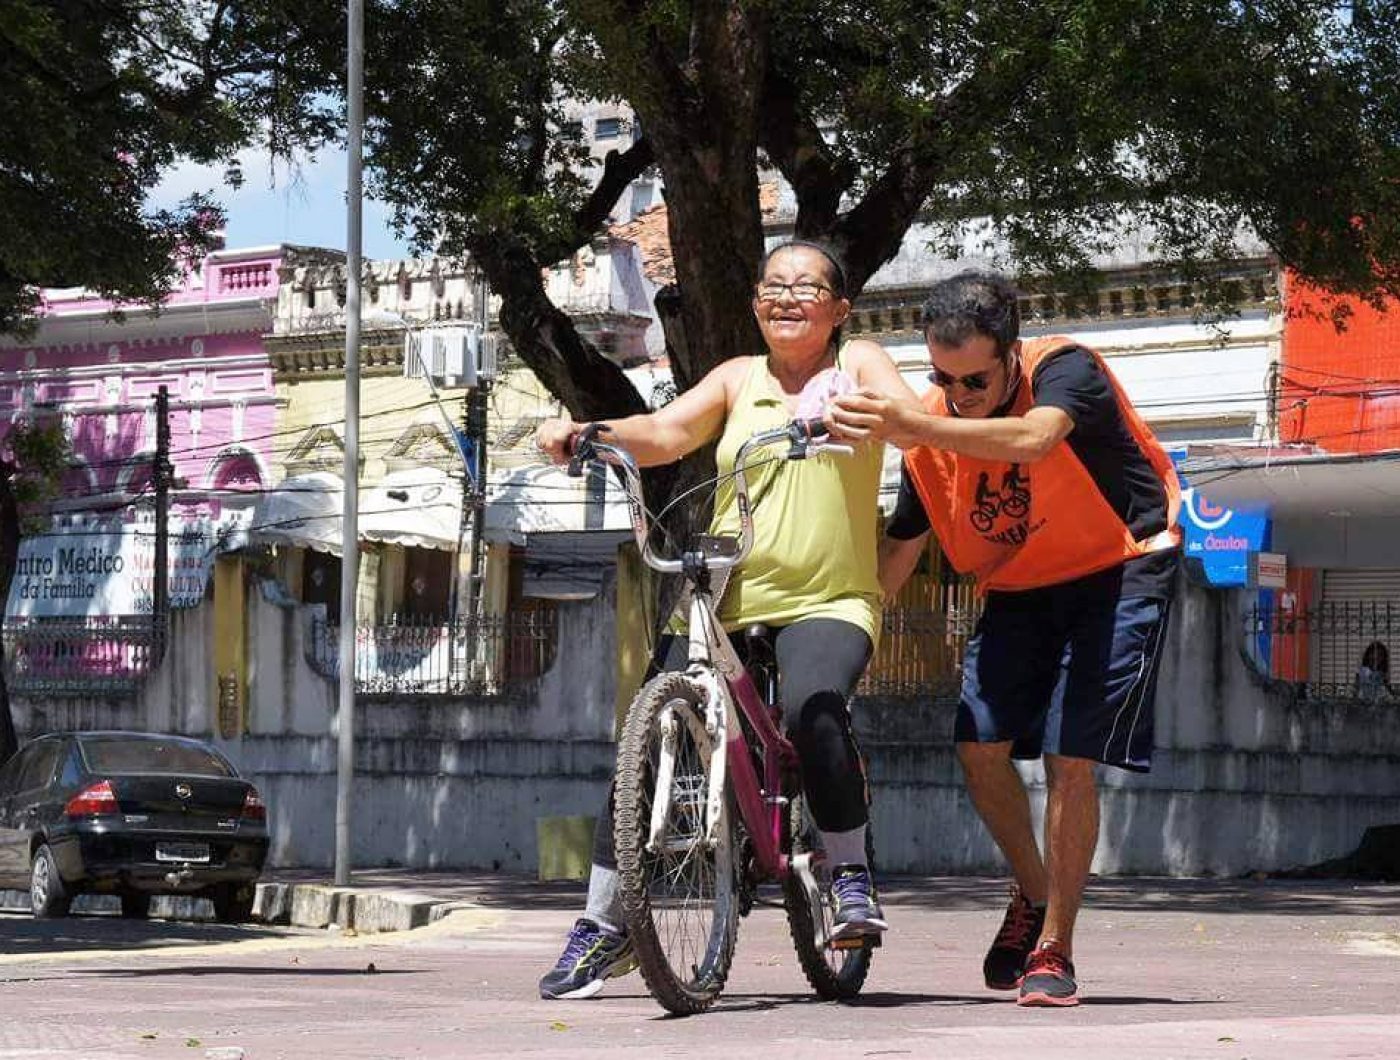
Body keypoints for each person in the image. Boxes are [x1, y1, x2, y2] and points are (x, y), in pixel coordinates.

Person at [533, 240, 915, 1000]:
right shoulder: (738, 377)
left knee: (813, 709)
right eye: (773, 285)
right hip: (725, 594)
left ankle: (849, 874)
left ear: (840, 309)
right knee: (645, 740)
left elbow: (912, 421)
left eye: (806, 287)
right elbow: (667, 433)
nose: (786, 298)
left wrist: (873, 414)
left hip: (829, 597)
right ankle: (604, 923)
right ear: (754, 303)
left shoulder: (859, 362)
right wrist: (591, 433)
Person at [828, 270, 1181, 1007]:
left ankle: (1054, 947)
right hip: (1024, 584)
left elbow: (1034, 438)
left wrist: (917, 425)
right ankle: (1034, 890)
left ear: (1011, 354)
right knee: (978, 747)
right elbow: (901, 548)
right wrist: (847, 635)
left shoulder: (1064, 369)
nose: (958, 394)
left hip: (1117, 567)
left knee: (1069, 756)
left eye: (975, 380)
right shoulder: (934, 433)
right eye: (942, 378)